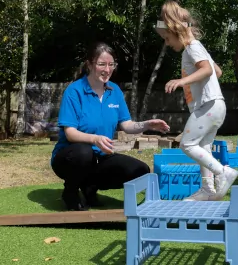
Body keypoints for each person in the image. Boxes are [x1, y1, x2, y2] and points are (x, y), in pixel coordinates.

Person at [50, 42, 170, 211]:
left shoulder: (115, 91)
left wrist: (147, 124)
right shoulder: (74, 91)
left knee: (141, 170)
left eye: (111, 64)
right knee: (85, 153)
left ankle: (90, 186)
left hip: (101, 158)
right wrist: (94, 139)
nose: (107, 70)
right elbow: (70, 133)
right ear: (90, 64)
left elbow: (127, 125)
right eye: (101, 64)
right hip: (71, 157)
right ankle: (70, 192)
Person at [155, 0, 238, 201]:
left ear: (176, 31)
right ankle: (208, 189)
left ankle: (222, 172)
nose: (167, 43)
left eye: (167, 38)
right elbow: (217, 71)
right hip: (216, 106)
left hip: (208, 106)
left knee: (187, 144)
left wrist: (182, 80)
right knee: (202, 148)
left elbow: (208, 70)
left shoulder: (192, 48)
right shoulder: (198, 48)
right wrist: (206, 63)